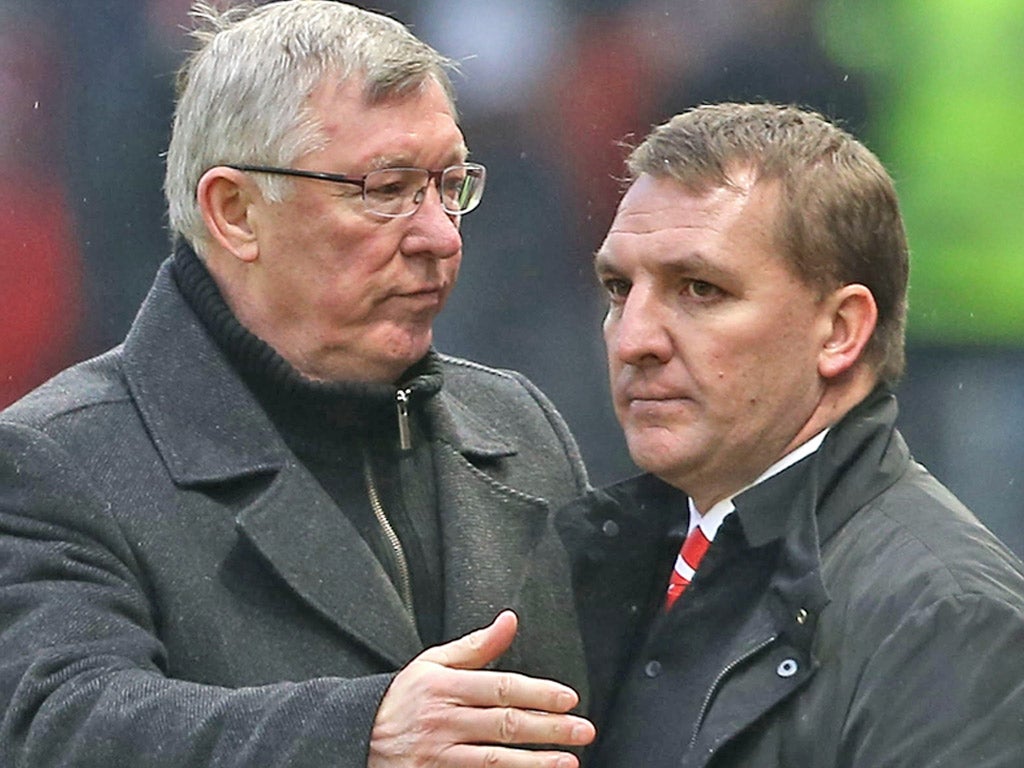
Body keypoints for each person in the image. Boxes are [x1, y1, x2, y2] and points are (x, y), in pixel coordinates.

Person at [0, 2, 595, 766]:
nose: (441, 235)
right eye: (386, 189)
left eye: (450, 185)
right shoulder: (55, 463)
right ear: (236, 211)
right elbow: (56, 728)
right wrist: (360, 735)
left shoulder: (520, 427)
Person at [554, 103, 1024, 766]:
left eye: (699, 289)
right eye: (618, 288)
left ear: (839, 331)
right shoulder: (600, 560)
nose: (634, 340)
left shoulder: (950, 617)